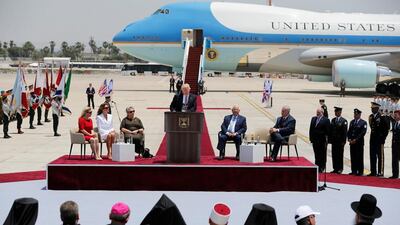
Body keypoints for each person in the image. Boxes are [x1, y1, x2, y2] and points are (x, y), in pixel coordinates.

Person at [368, 102, 390, 177]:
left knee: (380, 156)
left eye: (373, 108)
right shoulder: (371, 117)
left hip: (379, 140)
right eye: (371, 108)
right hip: (373, 139)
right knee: (372, 155)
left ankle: (380, 171)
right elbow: (372, 127)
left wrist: (383, 138)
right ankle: (373, 171)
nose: (372, 109)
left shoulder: (382, 117)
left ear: (377, 108)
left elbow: (386, 128)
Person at [309, 108, 330, 173]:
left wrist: (327, 140)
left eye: (318, 112)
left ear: (322, 113)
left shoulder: (326, 120)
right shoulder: (313, 119)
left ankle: (322, 167)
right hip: (315, 140)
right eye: (317, 112)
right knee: (316, 154)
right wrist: (311, 138)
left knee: (322, 155)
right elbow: (311, 129)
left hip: (322, 141)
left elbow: (328, 131)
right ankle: (317, 166)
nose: (317, 113)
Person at [347, 108, 367, 176]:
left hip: (359, 143)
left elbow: (362, 133)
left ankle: (360, 171)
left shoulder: (363, 123)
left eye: (356, 114)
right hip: (352, 143)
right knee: (353, 157)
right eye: (354, 114)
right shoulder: (352, 122)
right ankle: (354, 170)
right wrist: (349, 139)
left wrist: (355, 140)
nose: (355, 115)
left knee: (359, 157)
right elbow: (349, 131)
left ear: (359, 115)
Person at [329, 106, 348, 174]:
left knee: (340, 155)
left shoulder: (344, 121)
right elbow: (331, 131)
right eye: (335, 112)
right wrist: (330, 140)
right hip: (334, 141)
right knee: (334, 155)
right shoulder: (333, 120)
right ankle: (335, 168)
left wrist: (344, 141)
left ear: (340, 112)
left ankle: (340, 168)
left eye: (336, 112)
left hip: (340, 142)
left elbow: (345, 132)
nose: (335, 113)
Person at [389, 109, 400, 179]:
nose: (394, 116)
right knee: (394, 160)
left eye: (396, 115)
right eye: (394, 115)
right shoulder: (394, 123)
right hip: (394, 145)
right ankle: (395, 175)